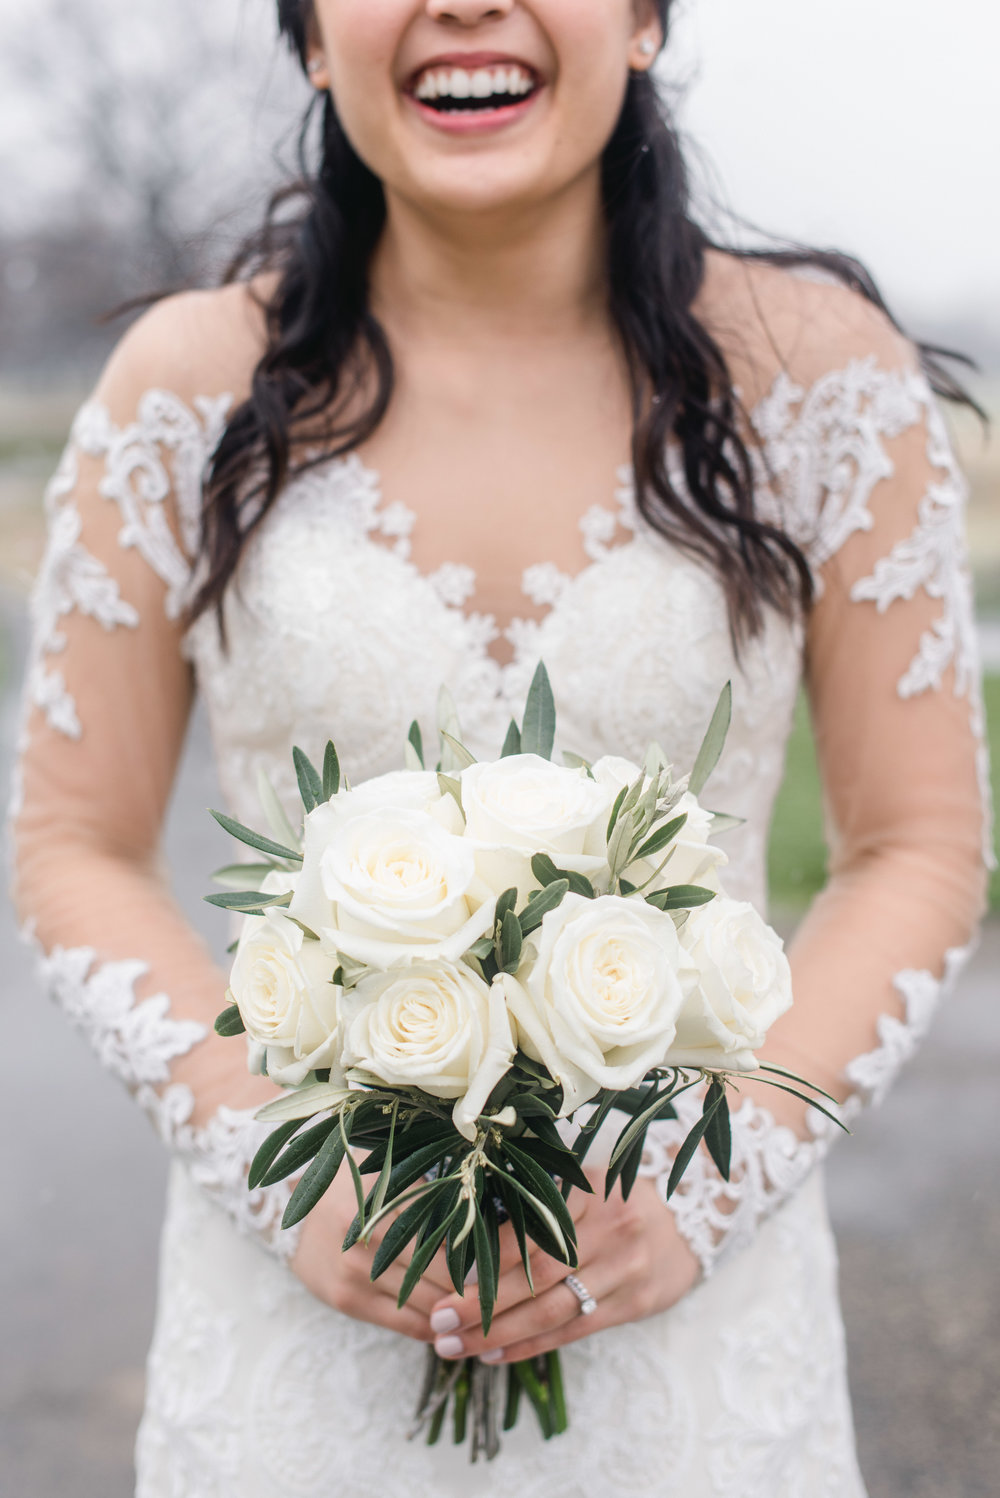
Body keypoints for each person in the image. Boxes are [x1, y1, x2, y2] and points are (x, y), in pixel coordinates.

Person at [10, 1, 991, 1494]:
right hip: (298, 1341)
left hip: (693, 1353)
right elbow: (72, 838)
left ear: (649, 18)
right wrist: (279, 1167)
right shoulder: (185, 389)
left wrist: (703, 1184)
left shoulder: (819, 380)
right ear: (311, 39)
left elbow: (917, 842)